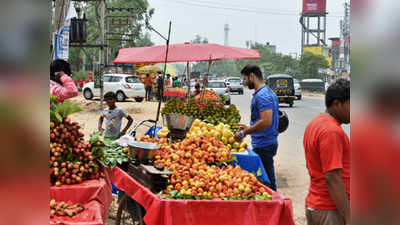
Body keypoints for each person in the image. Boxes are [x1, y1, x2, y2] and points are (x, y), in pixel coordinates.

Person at [303, 79, 350, 225]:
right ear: (337, 103)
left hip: (317, 205)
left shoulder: (316, 123)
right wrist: (349, 218)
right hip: (330, 210)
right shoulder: (331, 131)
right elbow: (332, 178)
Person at [234, 65, 279, 191]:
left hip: (264, 144)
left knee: (267, 182)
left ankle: (274, 205)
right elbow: (263, 121)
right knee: (266, 179)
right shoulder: (267, 92)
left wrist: (244, 132)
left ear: (252, 76)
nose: (245, 82)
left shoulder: (262, 96)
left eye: (245, 79)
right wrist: (249, 127)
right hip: (267, 141)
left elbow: (266, 121)